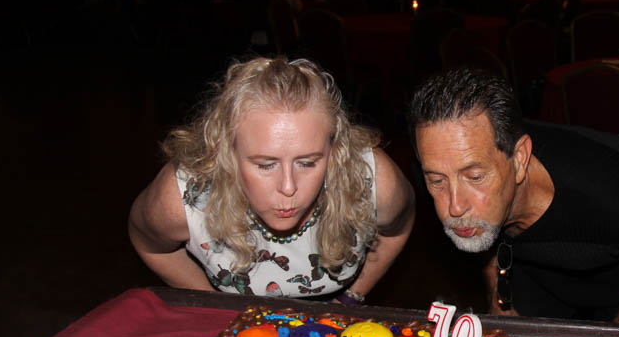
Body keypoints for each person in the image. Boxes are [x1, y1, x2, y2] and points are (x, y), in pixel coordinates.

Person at [408, 68, 619, 337]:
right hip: (535, 265)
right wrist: (500, 297)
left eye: (474, 176)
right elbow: (481, 232)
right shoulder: (441, 173)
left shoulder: (617, 190)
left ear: (520, 159)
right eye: (437, 181)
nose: (454, 207)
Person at [129, 57, 415, 302]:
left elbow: (398, 229)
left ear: (334, 149)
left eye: (308, 162)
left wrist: (351, 297)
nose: (288, 187)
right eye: (265, 165)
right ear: (227, 152)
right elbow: (148, 243)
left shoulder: (374, 180)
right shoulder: (183, 196)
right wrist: (213, 305)